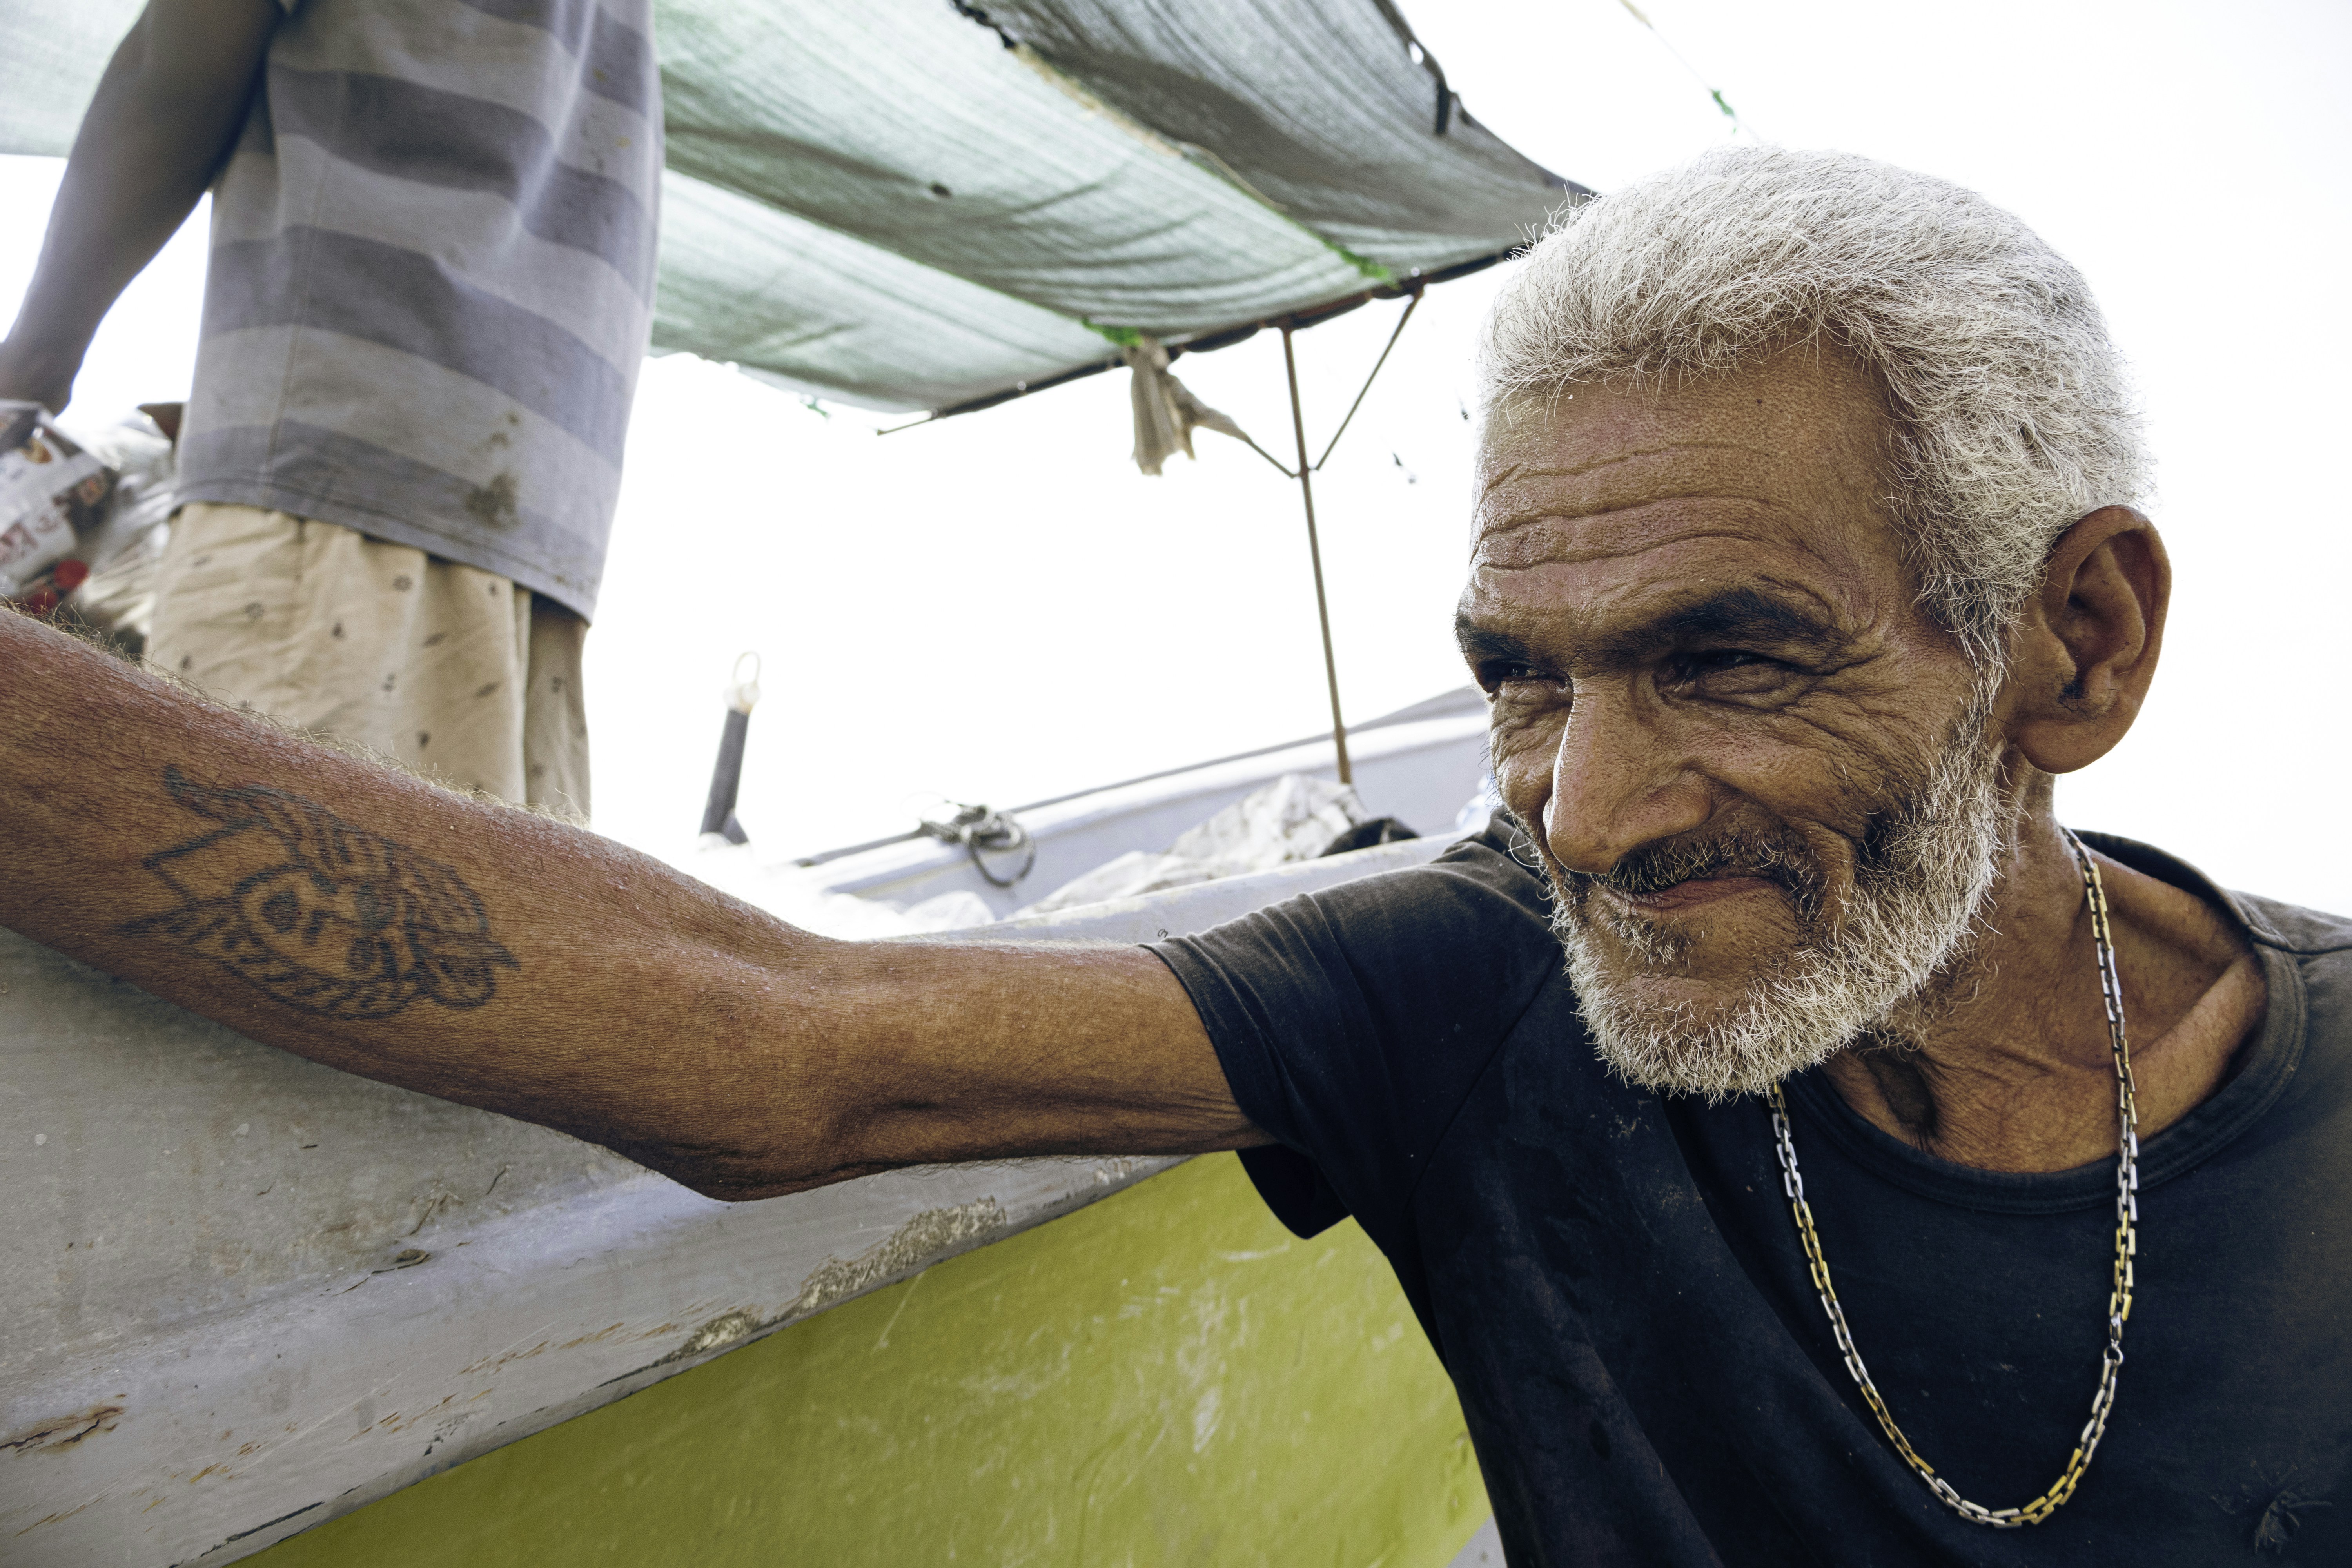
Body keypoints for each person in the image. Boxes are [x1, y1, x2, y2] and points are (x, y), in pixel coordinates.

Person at [2, 146, 2343, 1565]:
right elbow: (780, 1039)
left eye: (1726, 661)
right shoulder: (1481, 990)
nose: (1591, 812)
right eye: (1524, 677)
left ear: (2072, 644)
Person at [0, 0, 662, 815]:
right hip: (535, 520)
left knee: (225, 877)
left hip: (330, 474)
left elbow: (173, 71)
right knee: (445, 913)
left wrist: (32, 364)